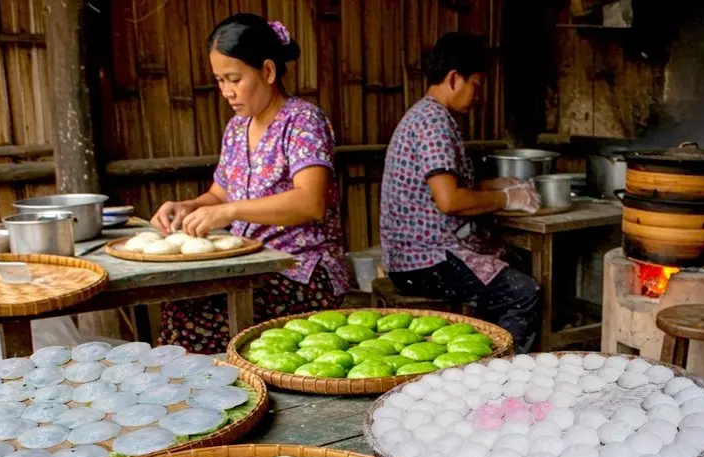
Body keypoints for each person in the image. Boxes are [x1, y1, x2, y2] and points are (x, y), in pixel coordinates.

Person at [149, 14, 348, 353]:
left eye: (234, 79)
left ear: (268, 72)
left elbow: (310, 203)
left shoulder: (302, 121)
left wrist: (230, 212)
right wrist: (191, 207)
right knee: (179, 308)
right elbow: (219, 193)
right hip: (252, 268)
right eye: (219, 80)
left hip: (300, 273)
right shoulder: (237, 128)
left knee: (193, 318)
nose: (227, 91)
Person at [380, 32, 544, 353]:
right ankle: (498, 373)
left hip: (417, 256)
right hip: (424, 261)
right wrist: (507, 199)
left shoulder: (429, 115)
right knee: (524, 292)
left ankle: (477, 350)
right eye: (477, 85)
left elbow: (452, 186)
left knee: (509, 264)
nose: (479, 96)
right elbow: (450, 200)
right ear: (455, 78)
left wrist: (501, 185)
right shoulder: (433, 123)